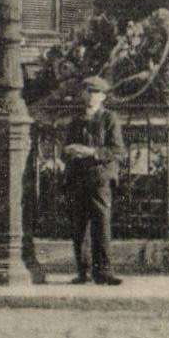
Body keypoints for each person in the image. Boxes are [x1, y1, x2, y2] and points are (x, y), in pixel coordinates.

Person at [61, 75, 127, 285]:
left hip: (99, 177)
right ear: (82, 94)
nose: (91, 97)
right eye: (88, 91)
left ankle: (104, 272)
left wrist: (91, 152)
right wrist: (69, 150)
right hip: (77, 177)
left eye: (96, 92)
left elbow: (117, 150)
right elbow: (65, 149)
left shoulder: (109, 118)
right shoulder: (76, 120)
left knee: (101, 224)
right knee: (78, 226)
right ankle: (84, 271)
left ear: (103, 96)